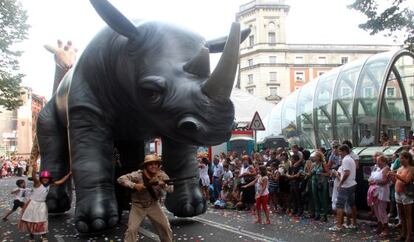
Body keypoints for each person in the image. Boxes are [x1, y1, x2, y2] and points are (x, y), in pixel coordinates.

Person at [117, 154, 174, 242]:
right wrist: (134, 185)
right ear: (146, 166)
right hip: (138, 206)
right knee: (132, 229)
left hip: (153, 205)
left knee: (165, 226)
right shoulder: (138, 175)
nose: (153, 166)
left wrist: (164, 185)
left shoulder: (162, 175)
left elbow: (171, 190)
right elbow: (120, 179)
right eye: (150, 164)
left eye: (156, 164)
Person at [18, 163, 72, 242]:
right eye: (43, 178)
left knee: (42, 220)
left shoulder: (49, 184)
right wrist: (34, 169)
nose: (45, 179)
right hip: (33, 204)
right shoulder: (38, 183)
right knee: (31, 220)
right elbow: (34, 177)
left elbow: (61, 181)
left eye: (47, 178)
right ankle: (31, 238)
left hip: (42, 205)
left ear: (49, 179)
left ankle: (43, 236)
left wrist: (69, 174)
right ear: (41, 178)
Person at [329, 144, 357, 231]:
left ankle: (338, 226)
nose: (339, 153)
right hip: (352, 184)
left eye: (340, 151)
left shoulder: (346, 159)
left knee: (339, 205)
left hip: (346, 185)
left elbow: (347, 173)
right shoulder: (350, 159)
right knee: (352, 204)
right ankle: (354, 224)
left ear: (344, 151)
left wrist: (340, 183)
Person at [388, 151, 414, 242]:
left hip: (406, 194)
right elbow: (396, 181)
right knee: (401, 216)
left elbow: (407, 181)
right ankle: (403, 234)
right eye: (400, 158)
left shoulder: (411, 169)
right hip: (398, 193)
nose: (400, 160)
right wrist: (391, 176)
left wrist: (395, 175)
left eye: (402, 158)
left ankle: (409, 236)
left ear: (408, 159)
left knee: (408, 216)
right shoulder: (400, 168)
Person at [368, 155, 390, 236]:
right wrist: (370, 181)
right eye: (377, 161)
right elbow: (371, 178)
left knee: (382, 210)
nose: (377, 162)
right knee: (376, 210)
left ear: (384, 161)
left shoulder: (386, 169)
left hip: (382, 192)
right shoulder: (377, 168)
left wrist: (375, 182)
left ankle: (386, 228)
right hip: (374, 192)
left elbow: (385, 181)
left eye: (379, 161)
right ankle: (380, 225)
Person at [311, 151, 329, 222]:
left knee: (322, 198)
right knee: (315, 198)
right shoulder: (313, 164)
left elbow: (328, 174)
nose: (314, 157)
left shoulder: (323, 164)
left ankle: (324, 215)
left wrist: (321, 173)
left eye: (316, 156)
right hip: (314, 181)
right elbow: (310, 173)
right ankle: (317, 213)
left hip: (321, 182)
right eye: (314, 156)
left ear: (319, 157)